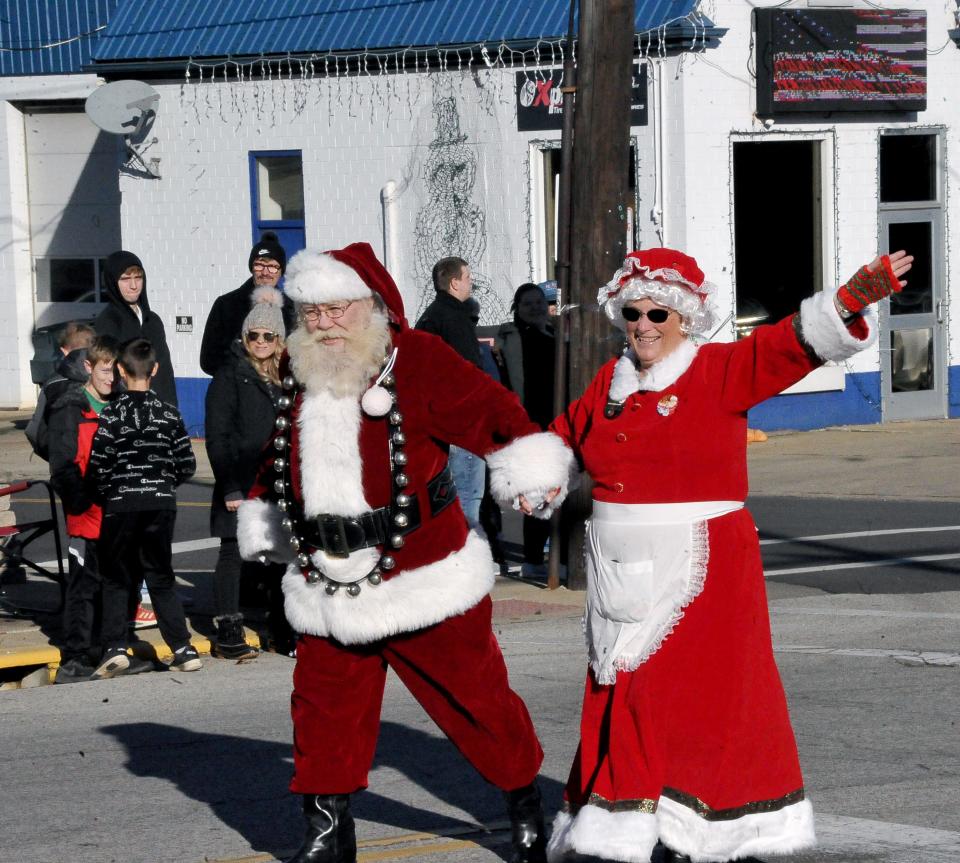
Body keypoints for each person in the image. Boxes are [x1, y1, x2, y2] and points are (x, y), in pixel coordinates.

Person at [544, 247, 913, 863]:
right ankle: (636, 823)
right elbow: (566, 440)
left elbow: (785, 347)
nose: (644, 326)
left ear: (684, 317)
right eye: (633, 313)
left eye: (658, 314)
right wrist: (537, 473)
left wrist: (849, 298)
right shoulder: (608, 388)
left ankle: (689, 829)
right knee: (624, 698)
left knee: (688, 704)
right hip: (617, 582)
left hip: (701, 576)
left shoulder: (718, 371)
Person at [237, 242, 575, 863]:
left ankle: (524, 803)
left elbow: (489, 409)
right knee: (321, 712)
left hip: (424, 571)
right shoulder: (300, 367)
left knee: (477, 702)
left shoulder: (415, 358)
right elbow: (281, 452)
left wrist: (527, 466)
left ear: (369, 306)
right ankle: (326, 833)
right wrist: (263, 511)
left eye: (336, 309)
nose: (323, 323)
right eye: (310, 311)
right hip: (328, 579)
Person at [87, 338, 201, 679]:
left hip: (121, 505)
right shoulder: (169, 414)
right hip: (160, 505)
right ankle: (182, 647)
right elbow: (187, 464)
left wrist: (114, 489)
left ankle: (115, 647)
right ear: (155, 369)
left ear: (120, 370)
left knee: (117, 577)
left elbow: (98, 466)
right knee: (161, 575)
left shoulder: (112, 415)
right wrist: (162, 485)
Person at [205, 287, 287, 660]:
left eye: (268, 335)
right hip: (239, 479)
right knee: (232, 554)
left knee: (278, 553)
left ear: (279, 339)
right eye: (253, 335)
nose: (260, 342)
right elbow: (217, 434)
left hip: (275, 478)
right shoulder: (229, 374)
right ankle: (228, 628)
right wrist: (229, 486)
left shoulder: (285, 379)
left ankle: (281, 628)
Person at [47, 336, 122, 682]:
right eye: (106, 371)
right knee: (82, 585)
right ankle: (76, 654)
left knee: (115, 582)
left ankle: (108, 647)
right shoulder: (70, 407)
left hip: (117, 513)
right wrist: (80, 502)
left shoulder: (121, 405)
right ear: (88, 367)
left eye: (116, 371)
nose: (112, 379)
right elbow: (62, 466)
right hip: (85, 513)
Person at [415, 256, 486, 530]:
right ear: (455, 282)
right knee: (467, 492)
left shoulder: (432, 316)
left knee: (447, 492)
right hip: (460, 421)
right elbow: (469, 371)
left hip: (437, 419)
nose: (471, 283)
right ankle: (465, 549)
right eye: (468, 278)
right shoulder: (454, 317)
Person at [495, 284, 556, 576]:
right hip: (530, 419)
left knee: (557, 488)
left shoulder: (553, 333)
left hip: (554, 419)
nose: (535, 308)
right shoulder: (515, 337)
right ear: (517, 309)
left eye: (539, 302)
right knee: (535, 489)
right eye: (527, 304)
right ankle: (533, 559)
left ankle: (551, 556)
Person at [200, 231, 297, 376]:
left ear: (281, 271)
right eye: (259, 265)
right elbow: (208, 360)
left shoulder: (291, 309)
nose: (265, 272)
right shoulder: (226, 305)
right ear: (252, 268)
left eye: (272, 266)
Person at [94, 251, 178, 408]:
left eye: (138, 278)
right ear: (113, 282)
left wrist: (170, 408)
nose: (133, 286)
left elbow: (165, 370)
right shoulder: (108, 322)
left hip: (159, 409)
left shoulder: (153, 321)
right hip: (126, 412)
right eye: (125, 279)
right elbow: (107, 371)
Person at [25, 321, 96, 461]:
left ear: (64, 351)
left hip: (65, 463)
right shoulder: (107, 379)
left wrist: (54, 455)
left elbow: (35, 430)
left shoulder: (53, 383)